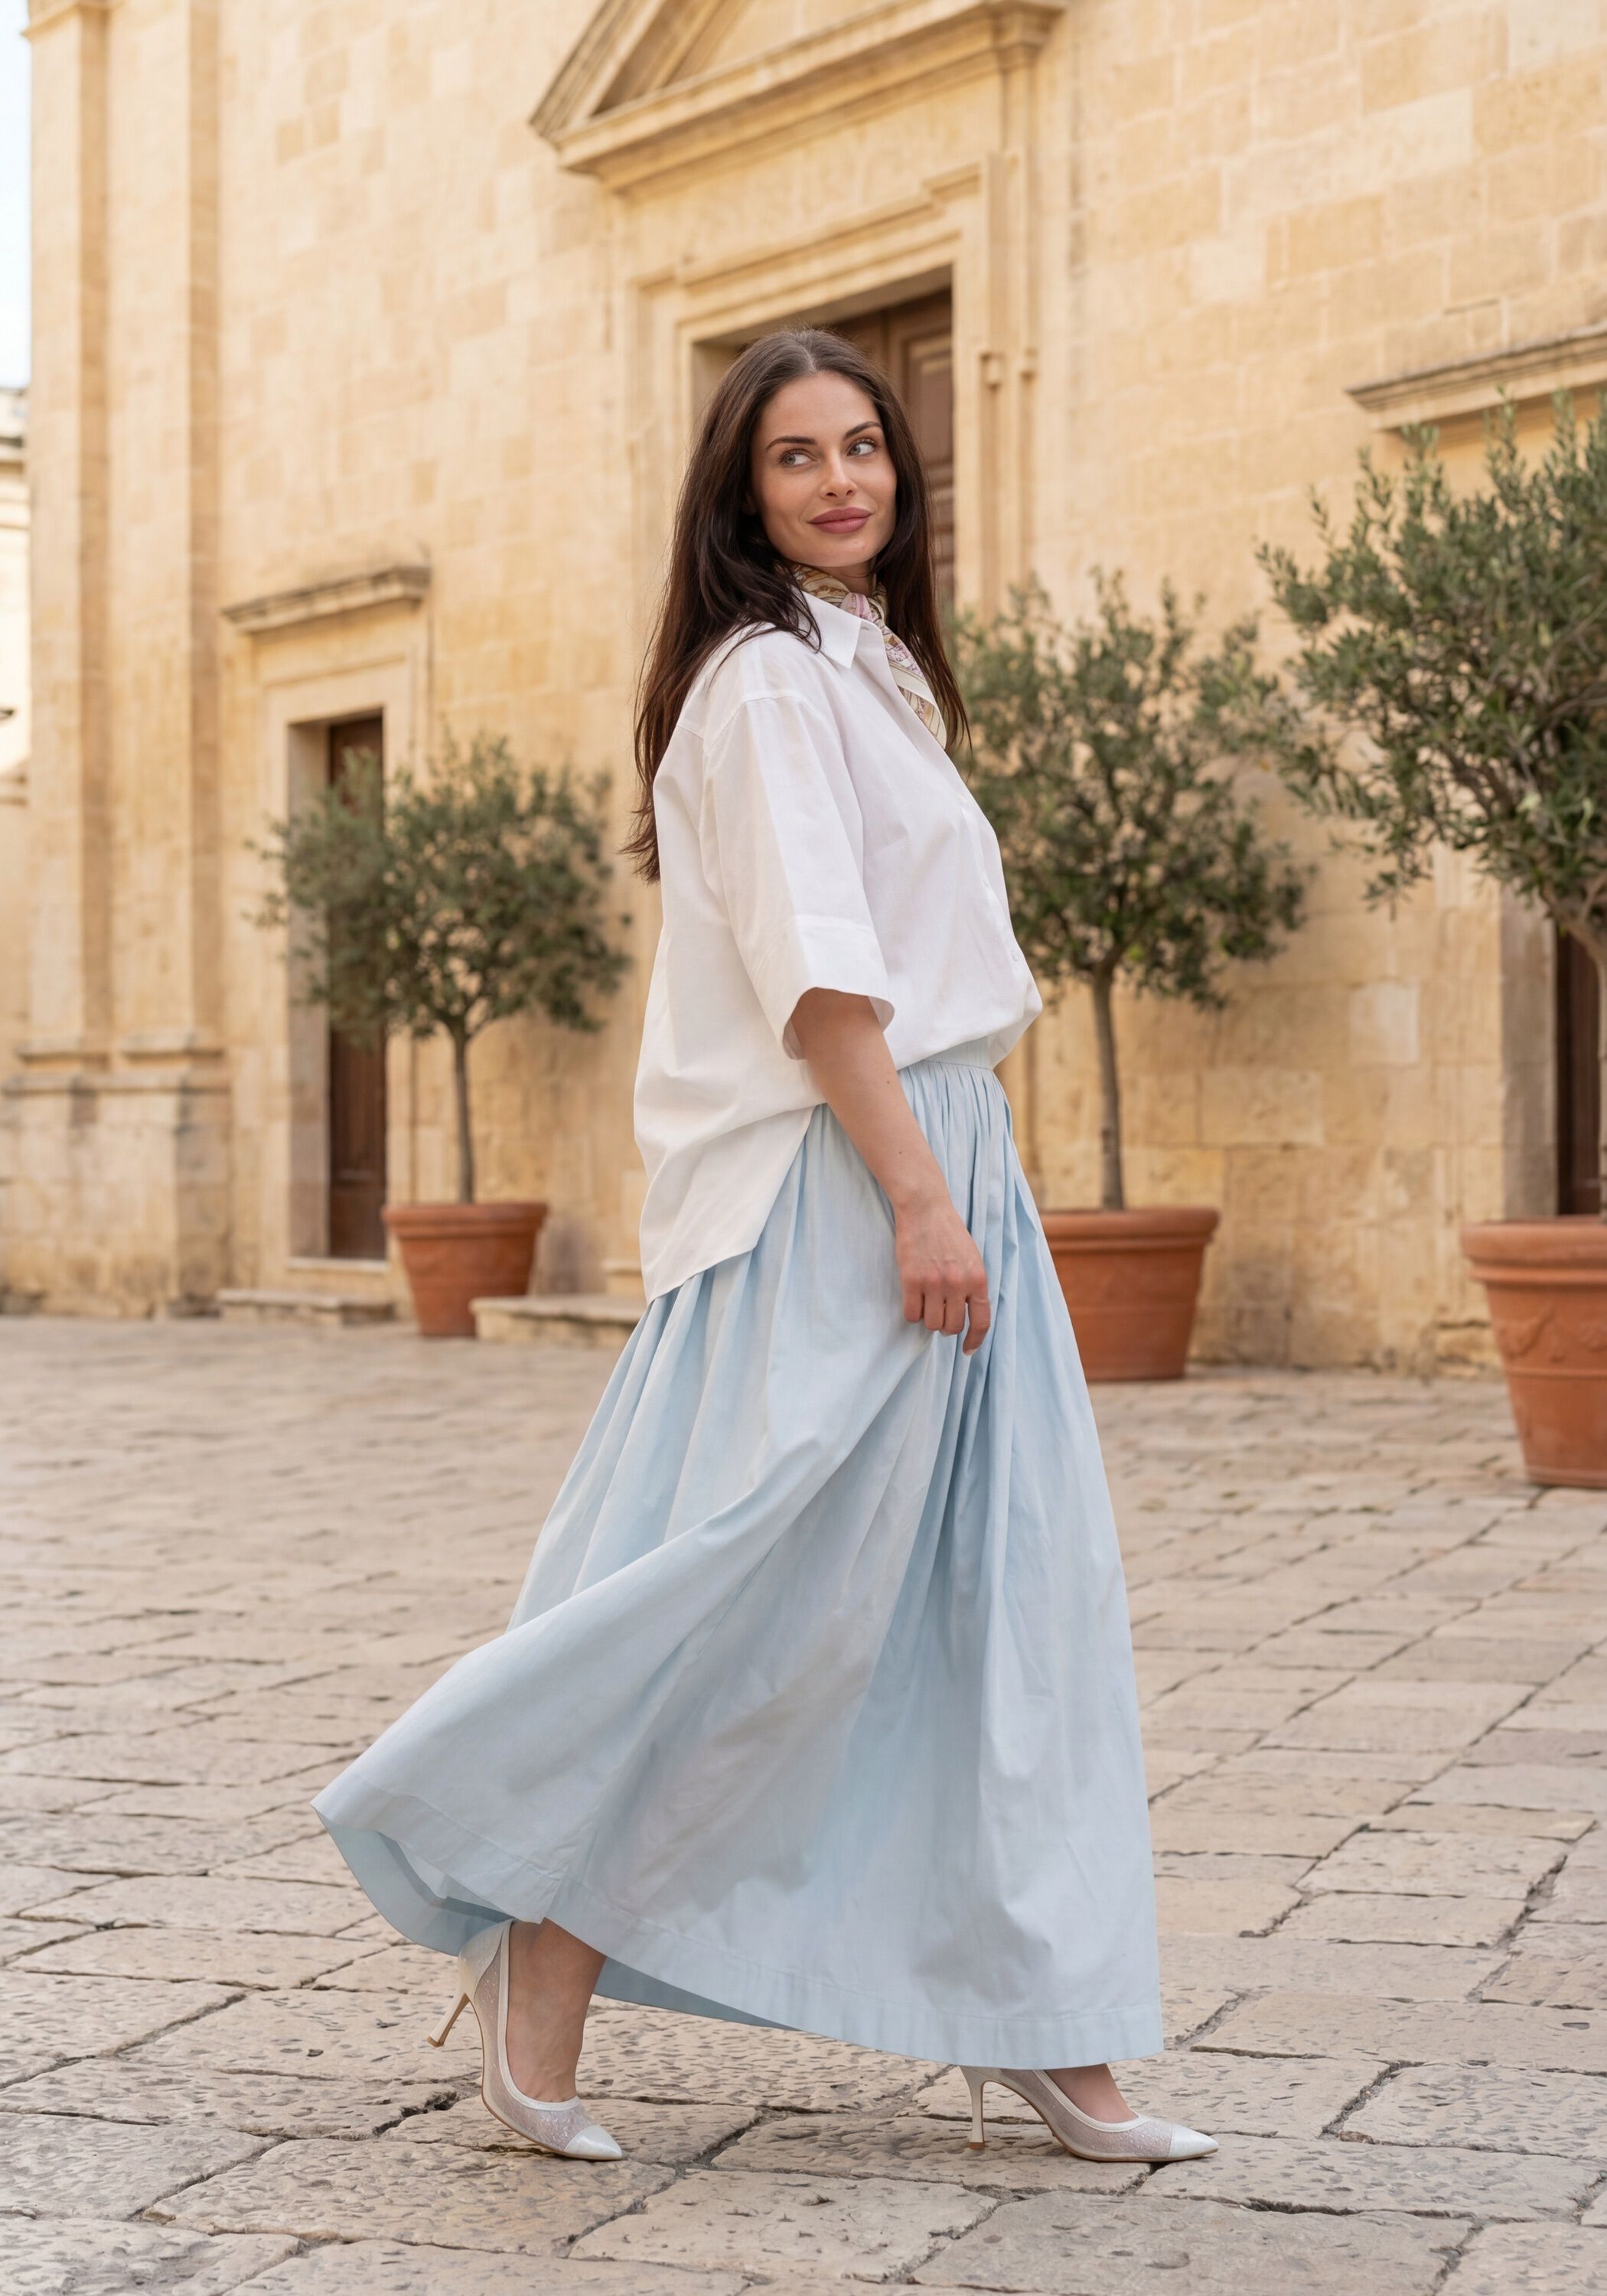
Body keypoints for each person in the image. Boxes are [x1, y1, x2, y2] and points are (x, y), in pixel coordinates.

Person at [313, 328, 1216, 2170]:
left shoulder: (875, 675)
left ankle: (1048, 2021)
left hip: (944, 1150)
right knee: (775, 1608)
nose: (840, 480)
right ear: (741, 495)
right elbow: (820, 980)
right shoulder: (766, 686)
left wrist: (956, 1178)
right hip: (849, 1178)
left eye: (863, 445)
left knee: (1005, 1603)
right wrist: (917, 1198)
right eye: (795, 456)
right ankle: (538, 1938)